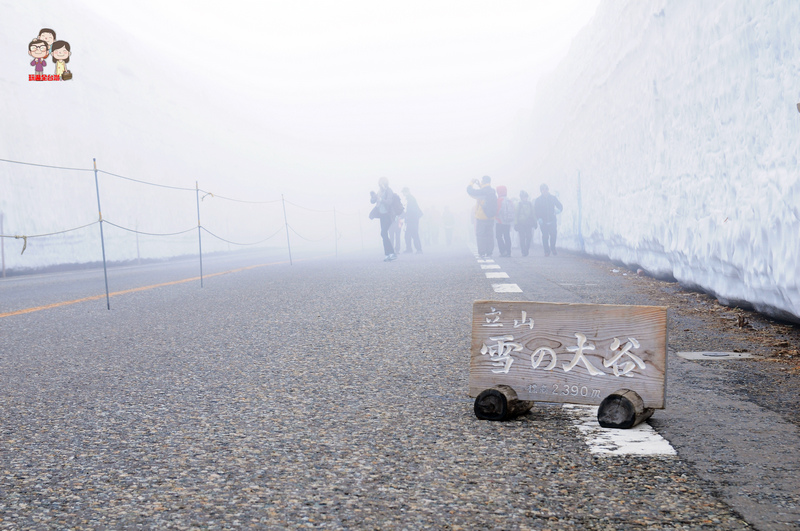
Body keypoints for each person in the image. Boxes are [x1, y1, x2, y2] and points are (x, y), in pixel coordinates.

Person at [467, 176, 497, 258]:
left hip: (482, 217)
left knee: (480, 235)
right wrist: (480, 185)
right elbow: (484, 189)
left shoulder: (482, 192)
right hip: (491, 217)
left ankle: (482, 252)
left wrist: (471, 183)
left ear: (483, 181)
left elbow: (470, 191)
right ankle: (489, 252)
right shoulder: (492, 191)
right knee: (489, 235)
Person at [370, 177, 397, 262]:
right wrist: (373, 198)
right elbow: (373, 201)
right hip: (382, 215)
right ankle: (388, 254)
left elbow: (389, 202)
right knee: (383, 234)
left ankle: (392, 253)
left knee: (383, 232)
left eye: (382, 183)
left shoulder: (389, 191)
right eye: (380, 183)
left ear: (385, 183)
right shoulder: (379, 191)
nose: (381, 185)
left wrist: (380, 199)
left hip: (388, 215)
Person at [534, 183, 563, 256]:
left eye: (546, 189)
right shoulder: (538, 200)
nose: (545, 191)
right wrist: (539, 218)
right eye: (543, 189)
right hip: (543, 221)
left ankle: (553, 247)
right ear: (541, 191)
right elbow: (536, 211)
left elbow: (560, 205)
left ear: (548, 189)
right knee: (545, 236)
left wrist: (559, 210)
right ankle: (546, 251)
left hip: (552, 220)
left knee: (553, 235)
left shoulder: (553, 198)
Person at [515, 190, 536, 257]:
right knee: (522, 237)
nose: (525, 198)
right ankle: (524, 250)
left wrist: (535, 222)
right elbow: (516, 215)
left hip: (528, 223)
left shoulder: (530, 204)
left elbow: (533, 214)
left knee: (529, 236)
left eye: (526, 197)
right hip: (521, 223)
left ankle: (526, 249)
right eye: (524, 197)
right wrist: (516, 224)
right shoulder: (519, 204)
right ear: (521, 198)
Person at [494, 185, 515, 257]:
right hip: (508, 222)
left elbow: (497, 210)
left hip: (499, 221)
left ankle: (503, 251)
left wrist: (494, 216)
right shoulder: (509, 200)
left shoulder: (499, 200)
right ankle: (509, 251)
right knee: (507, 236)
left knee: (498, 236)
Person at [401, 187, 423, 254]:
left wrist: (406, 216)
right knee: (408, 234)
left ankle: (418, 249)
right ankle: (409, 249)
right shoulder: (410, 198)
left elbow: (411, 210)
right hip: (412, 219)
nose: (403, 194)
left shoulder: (411, 199)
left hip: (413, 219)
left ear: (407, 192)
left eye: (404, 192)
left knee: (414, 234)